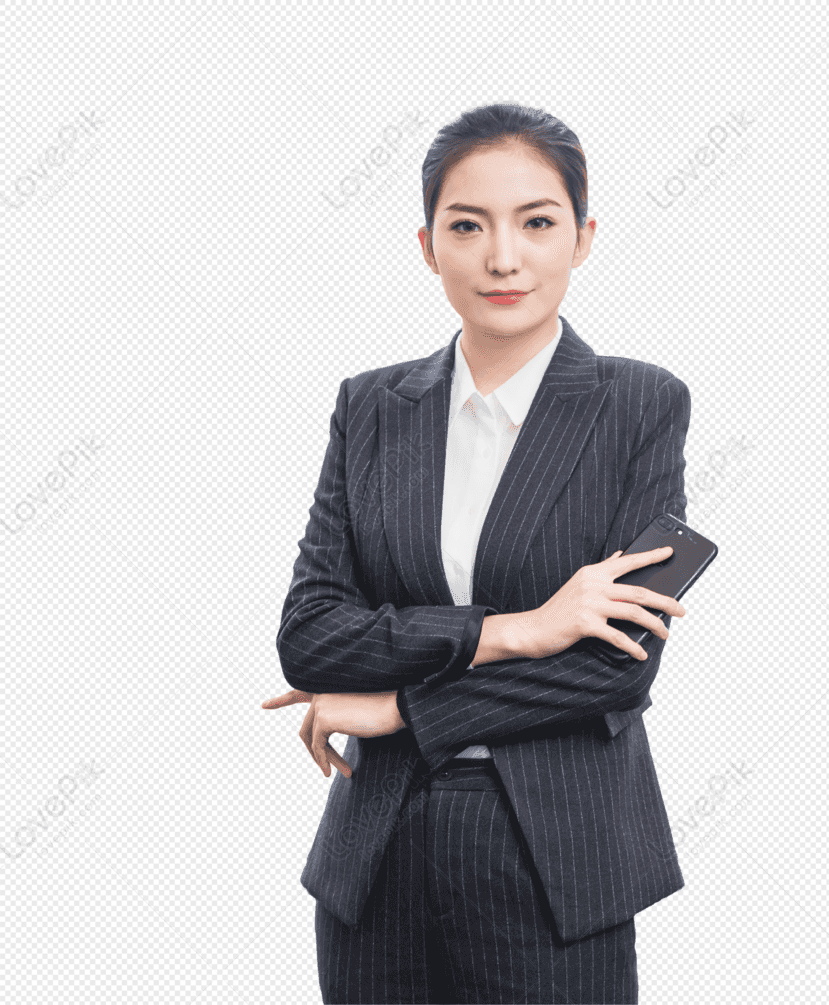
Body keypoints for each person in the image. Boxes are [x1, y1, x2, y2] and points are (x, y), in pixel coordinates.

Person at [265, 102, 691, 1004]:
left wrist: (404, 710)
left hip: (555, 860)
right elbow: (309, 637)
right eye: (469, 226)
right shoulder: (372, 407)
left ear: (582, 237)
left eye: (537, 222)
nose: (504, 257)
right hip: (376, 859)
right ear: (427, 245)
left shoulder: (641, 406)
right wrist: (518, 629)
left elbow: (617, 669)